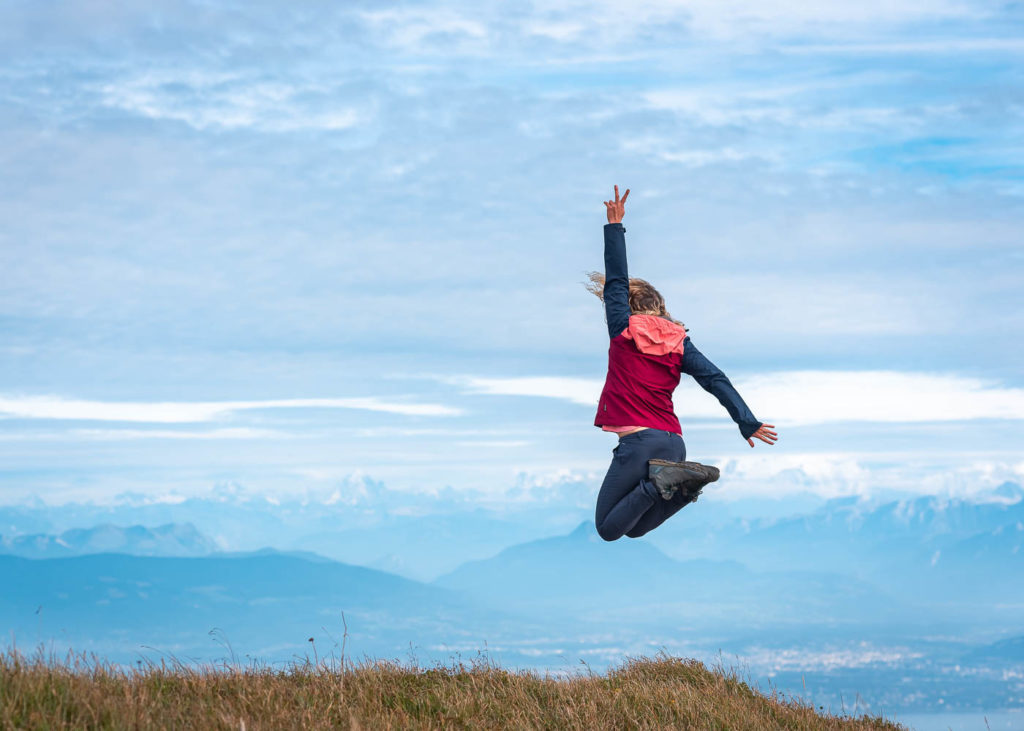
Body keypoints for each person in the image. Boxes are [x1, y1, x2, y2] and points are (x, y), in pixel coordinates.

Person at [587, 185, 777, 542]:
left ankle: (674, 485)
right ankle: (684, 486)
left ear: (629, 305)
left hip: (640, 443)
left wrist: (615, 225)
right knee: (634, 529)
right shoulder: (679, 342)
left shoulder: (623, 330)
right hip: (674, 445)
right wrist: (746, 422)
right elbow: (715, 379)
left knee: (608, 529)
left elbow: (615, 280)